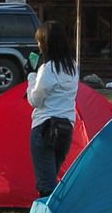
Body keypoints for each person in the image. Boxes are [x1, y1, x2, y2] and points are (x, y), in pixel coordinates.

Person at [27, 21, 78, 197]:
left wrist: (31, 76)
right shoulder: (73, 67)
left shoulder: (47, 69)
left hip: (45, 127)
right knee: (52, 176)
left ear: (46, 44)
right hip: (66, 128)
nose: (38, 45)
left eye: (39, 41)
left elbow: (35, 100)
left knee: (46, 185)